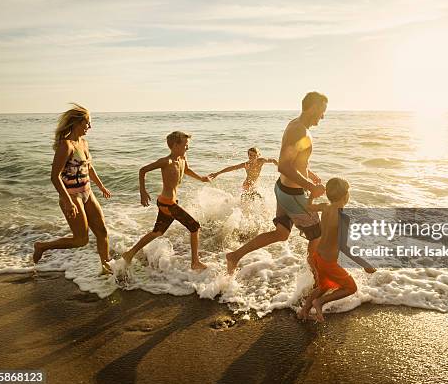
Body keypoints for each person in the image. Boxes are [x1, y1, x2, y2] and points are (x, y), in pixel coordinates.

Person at [226, 92, 328, 275]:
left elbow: (296, 161)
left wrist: (310, 175)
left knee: (281, 234)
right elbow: (284, 165)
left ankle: (235, 256)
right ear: (313, 107)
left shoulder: (296, 125)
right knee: (318, 234)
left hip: (283, 189)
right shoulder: (299, 130)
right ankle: (317, 279)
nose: (323, 115)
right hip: (292, 194)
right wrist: (312, 187)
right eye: (322, 110)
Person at [33, 104, 112, 274]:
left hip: (87, 192)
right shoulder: (66, 146)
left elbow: (89, 168)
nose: (89, 127)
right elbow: (55, 177)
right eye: (87, 123)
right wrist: (68, 202)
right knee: (81, 240)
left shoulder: (83, 143)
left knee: (103, 232)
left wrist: (101, 186)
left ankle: (107, 269)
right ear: (76, 123)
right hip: (71, 196)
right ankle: (42, 246)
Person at [121, 131, 209, 271]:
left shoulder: (182, 159)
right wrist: (143, 192)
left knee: (157, 232)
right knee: (195, 227)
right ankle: (195, 262)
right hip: (168, 203)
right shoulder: (166, 161)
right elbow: (142, 170)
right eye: (185, 145)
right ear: (175, 145)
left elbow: (187, 170)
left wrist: (201, 178)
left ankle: (129, 253)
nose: (188, 148)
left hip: (168, 202)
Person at [298, 178, 376, 322]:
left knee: (323, 286)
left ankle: (304, 311)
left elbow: (308, 207)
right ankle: (320, 302)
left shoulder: (325, 207)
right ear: (345, 196)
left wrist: (312, 195)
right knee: (351, 287)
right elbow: (344, 247)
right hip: (329, 262)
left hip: (318, 256)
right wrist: (365, 264)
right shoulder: (343, 217)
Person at [209, 147, 278, 201]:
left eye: (254, 155)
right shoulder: (246, 165)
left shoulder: (261, 161)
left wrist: (280, 166)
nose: (252, 157)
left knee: (257, 199)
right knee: (255, 198)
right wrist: (217, 173)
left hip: (253, 184)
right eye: (250, 155)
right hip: (247, 184)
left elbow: (273, 160)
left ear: (258, 155)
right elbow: (231, 168)